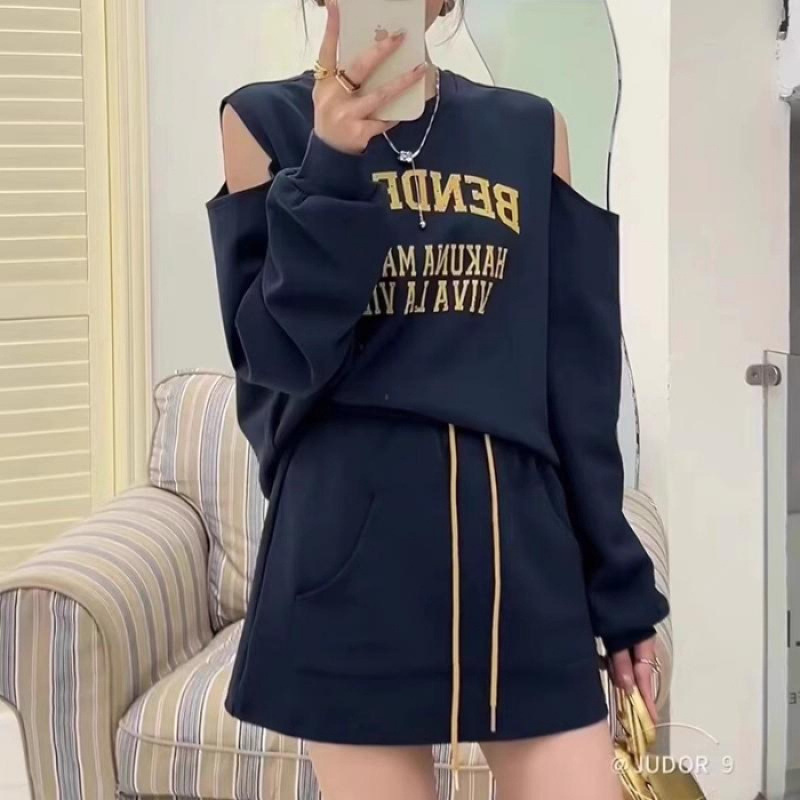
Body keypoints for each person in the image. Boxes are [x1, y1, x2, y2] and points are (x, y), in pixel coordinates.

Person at [205, 0, 671, 797]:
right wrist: (329, 163)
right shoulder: (264, 123)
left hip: (520, 556)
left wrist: (618, 586)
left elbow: (576, 378)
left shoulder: (531, 131)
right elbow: (278, 363)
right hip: (347, 560)